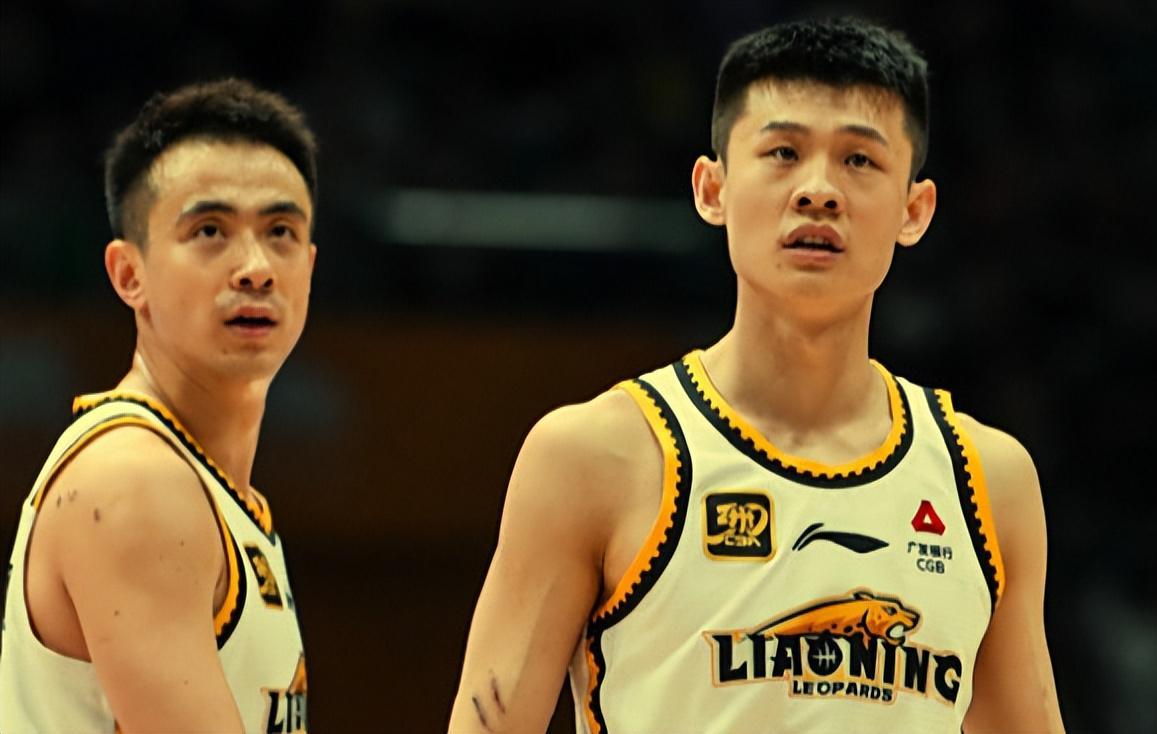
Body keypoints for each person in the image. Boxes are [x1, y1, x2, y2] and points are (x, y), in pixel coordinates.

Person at [451, 17, 1064, 733]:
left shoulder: (986, 482)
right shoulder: (594, 457)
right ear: (712, 189)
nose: (819, 191)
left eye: (859, 160)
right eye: (783, 152)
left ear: (914, 210)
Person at [0, 79, 316, 733]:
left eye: (280, 231)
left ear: (309, 266)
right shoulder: (135, 480)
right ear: (128, 274)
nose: (256, 267)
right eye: (210, 230)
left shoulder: (212, 491)